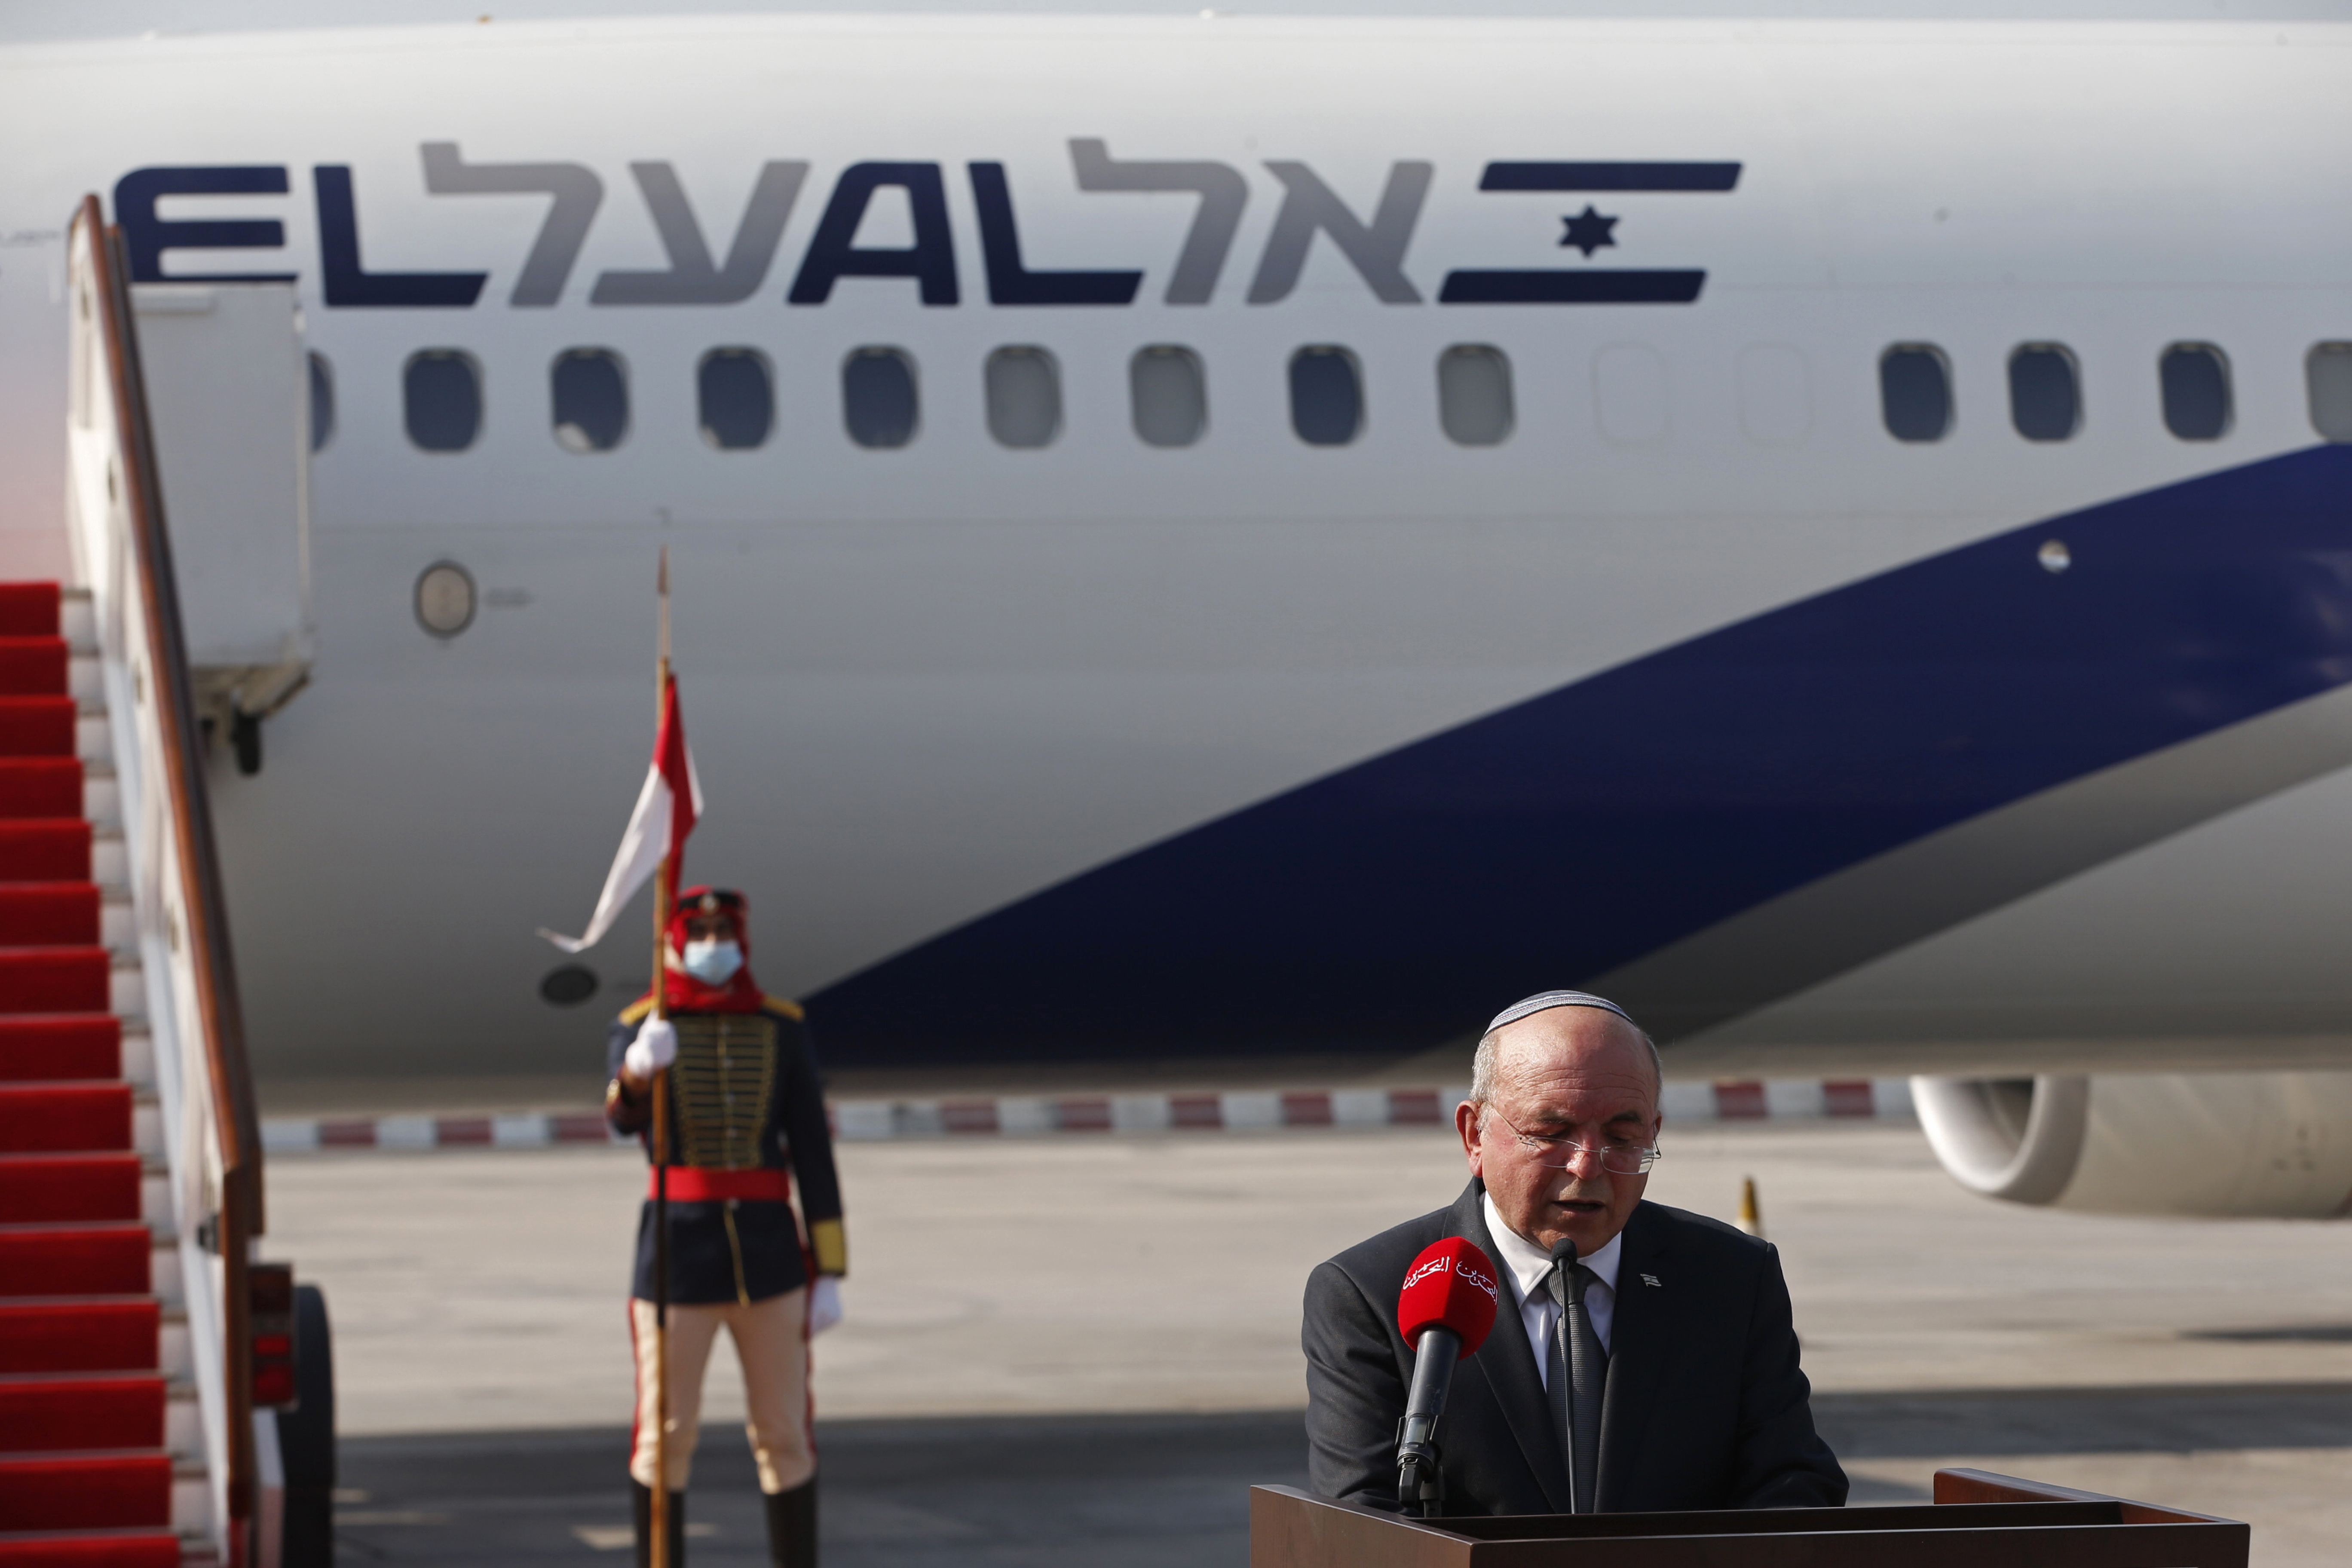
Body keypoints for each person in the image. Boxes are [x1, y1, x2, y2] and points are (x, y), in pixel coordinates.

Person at [1303, 990, 1846, 1516]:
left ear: (1653, 1133)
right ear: (1475, 1136)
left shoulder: (1731, 1277)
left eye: (1622, 1137)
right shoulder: (1373, 1292)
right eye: (1552, 1132)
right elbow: (1359, 1520)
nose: (1587, 1166)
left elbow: (1794, 1484)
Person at [606, 887, 847, 1567]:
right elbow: (621, 1119)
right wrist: (637, 1071)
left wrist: (830, 1268)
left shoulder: (781, 1027)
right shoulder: (644, 1024)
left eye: (724, 931)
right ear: (675, 942)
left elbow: (812, 1150)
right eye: (701, 932)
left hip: (771, 1264)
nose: (714, 944)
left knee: (785, 1435)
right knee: (664, 1438)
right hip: (677, 1264)